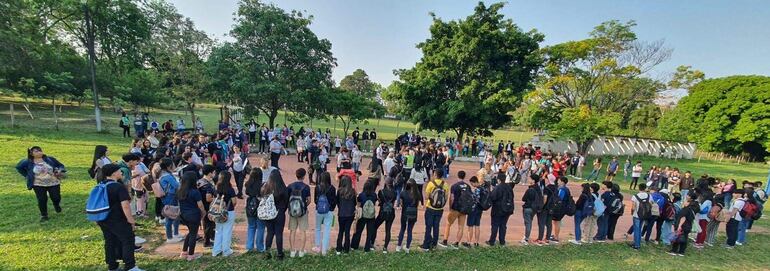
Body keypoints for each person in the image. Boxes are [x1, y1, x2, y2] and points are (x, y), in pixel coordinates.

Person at [95, 164, 144, 271]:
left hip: (103, 219)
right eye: (119, 171)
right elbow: (125, 206)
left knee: (110, 241)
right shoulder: (118, 186)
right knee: (128, 240)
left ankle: (112, 266)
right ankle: (130, 266)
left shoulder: (101, 185)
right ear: (113, 173)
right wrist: (131, 220)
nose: (121, 172)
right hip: (117, 219)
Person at [16, 146, 66, 222]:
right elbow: (19, 167)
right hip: (38, 184)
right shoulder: (27, 161)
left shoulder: (50, 159)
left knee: (56, 197)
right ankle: (44, 215)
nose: (39, 152)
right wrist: (27, 175)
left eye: (40, 150)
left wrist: (60, 170)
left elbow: (61, 165)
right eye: (36, 151)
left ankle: (56, 205)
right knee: (42, 199)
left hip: (53, 182)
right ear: (31, 153)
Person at [177, 171, 206, 261]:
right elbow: (200, 205)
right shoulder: (195, 192)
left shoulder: (180, 191)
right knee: (193, 234)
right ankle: (191, 255)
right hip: (194, 215)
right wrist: (204, 213)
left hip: (183, 215)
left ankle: (184, 252)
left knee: (190, 232)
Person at [262, 170, 289, 260]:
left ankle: (267, 253)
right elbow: (286, 202)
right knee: (279, 233)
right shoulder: (283, 188)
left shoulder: (265, 187)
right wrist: (282, 210)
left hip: (268, 213)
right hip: (280, 213)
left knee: (269, 233)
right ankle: (279, 254)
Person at [421, 169, 449, 251]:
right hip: (440, 209)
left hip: (430, 208)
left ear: (435, 174)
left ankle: (426, 244)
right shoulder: (445, 185)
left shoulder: (431, 184)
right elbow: (446, 198)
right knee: (436, 227)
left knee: (428, 227)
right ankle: (434, 244)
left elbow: (426, 197)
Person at [287, 168, 311, 257]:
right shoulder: (306, 187)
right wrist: (304, 206)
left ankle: (292, 251)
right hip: (303, 212)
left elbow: (287, 199)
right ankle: (301, 251)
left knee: (292, 231)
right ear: (304, 176)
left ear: (296, 175)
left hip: (292, 212)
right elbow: (309, 200)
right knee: (303, 231)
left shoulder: (290, 186)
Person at [212, 171, 237, 257]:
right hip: (228, 212)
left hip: (217, 212)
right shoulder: (230, 189)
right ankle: (226, 251)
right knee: (227, 231)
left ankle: (216, 250)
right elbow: (234, 202)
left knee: (218, 231)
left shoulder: (217, 188)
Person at [313, 172, 337, 256]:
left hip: (319, 210)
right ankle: (324, 250)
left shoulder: (317, 187)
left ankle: (317, 247)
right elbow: (334, 201)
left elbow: (315, 201)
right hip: (329, 211)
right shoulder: (332, 188)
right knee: (327, 230)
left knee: (318, 228)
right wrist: (331, 208)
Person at [351, 178, 379, 252]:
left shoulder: (361, 195)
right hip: (371, 216)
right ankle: (367, 247)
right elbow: (375, 203)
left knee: (359, 231)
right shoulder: (374, 195)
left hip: (362, 215)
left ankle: (354, 245)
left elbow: (358, 204)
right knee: (370, 232)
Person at [488, 172, 515, 246]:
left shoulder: (498, 187)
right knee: (503, 225)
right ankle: (502, 241)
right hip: (507, 209)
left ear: (498, 179)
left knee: (495, 225)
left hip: (497, 209)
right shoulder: (509, 187)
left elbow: (493, 197)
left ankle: (492, 241)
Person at [396, 179, 422, 253]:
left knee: (402, 229)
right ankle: (407, 247)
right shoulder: (417, 193)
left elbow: (401, 203)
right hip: (413, 214)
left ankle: (398, 246)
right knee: (410, 230)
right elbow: (418, 205)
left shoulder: (403, 193)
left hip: (405, 213)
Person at [244, 167, 266, 252]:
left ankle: (249, 246)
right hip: (260, 207)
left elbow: (246, 193)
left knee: (251, 227)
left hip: (250, 207)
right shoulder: (262, 185)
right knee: (261, 227)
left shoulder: (247, 184)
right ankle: (260, 247)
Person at [374, 177, 397, 253]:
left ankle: (371, 242)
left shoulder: (381, 191)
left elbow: (380, 201)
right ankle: (385, 248)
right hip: (391, 212)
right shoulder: (394, 192)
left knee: (375, 227)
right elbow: (393, 202)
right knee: (388, 230)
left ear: (386, 182)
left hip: (382, 212)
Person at [336, 175, 357, 254]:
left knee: (341, 231)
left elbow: (337, 202)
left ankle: (338, 248)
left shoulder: (339, 191)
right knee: (347, 231)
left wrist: (341, 208)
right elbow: (355, 203)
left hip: (341, 213)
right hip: (350, 214)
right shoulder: (353, 191)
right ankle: (346, 249)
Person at [197, 165, 216, 248]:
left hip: (201, 206)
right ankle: (207, 242)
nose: (214, 173)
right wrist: (216, 199)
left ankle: (210, 238)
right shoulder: (207, 185)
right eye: (213, 172)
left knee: (207, 223)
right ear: (209, 173)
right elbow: (208, 198)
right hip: (207, 206)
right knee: (208, 224)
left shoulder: (200, 181)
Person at [521, 173, 542, 245]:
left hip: (528, 207)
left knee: (527, 223)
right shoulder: (538, 188)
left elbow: (523, 199)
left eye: (530, 178)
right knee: (529, 222)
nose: (528, 179)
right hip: (534, 208)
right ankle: (527, 236)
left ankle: (526, 238)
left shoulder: (530, 189)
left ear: (533, 180)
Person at [630, 183, 650, 250]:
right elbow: (652, 204)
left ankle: (636, 244)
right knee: (639, 229)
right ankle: (637, 243)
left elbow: (633, 207)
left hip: (637, 214)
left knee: (636, 229)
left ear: (639, 188)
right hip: (645, 215)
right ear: (645, 188)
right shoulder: (649, 196)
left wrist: (632, 212)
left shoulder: (635, 196)